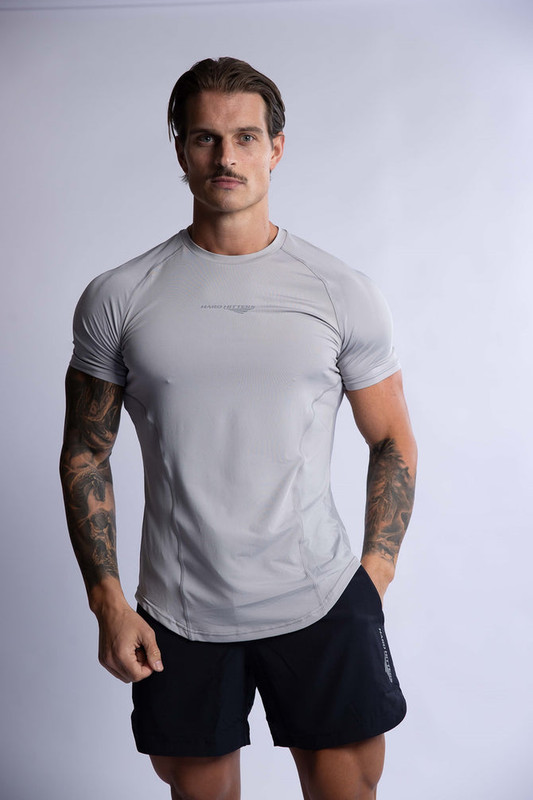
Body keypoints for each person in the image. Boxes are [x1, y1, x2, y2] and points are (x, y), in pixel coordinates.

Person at [60, 57, 417, 800]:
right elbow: (87, 452)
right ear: (181, 148)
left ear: (275, 148)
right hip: (178, 615)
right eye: (205, 138)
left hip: (322, 601)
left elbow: (390, 438)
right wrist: (108, 602)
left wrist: (374, 577)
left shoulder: (340, 291)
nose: (226, 157)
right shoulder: (119, 296)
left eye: (246, 137)